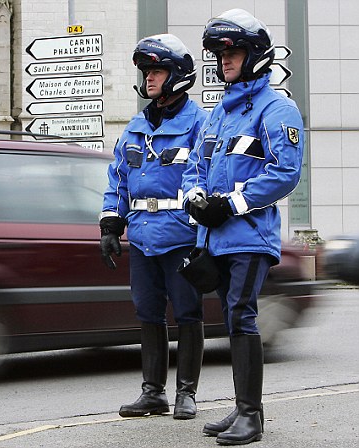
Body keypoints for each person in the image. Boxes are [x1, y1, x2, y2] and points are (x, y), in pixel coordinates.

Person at [182, 9, 304, 445]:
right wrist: (195, 199)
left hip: (250, 237)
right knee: (232, 319)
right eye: (218, 53)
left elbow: (285, 172)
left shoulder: (278, 108)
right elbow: (196, 163)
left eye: (231, 51)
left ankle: (251, 415)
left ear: (255, 54)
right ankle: (240, 408)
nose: (223, 59)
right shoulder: (218, 114)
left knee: (242, 315)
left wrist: (230, 204)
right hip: (213, 237)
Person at [100, 34, 208, 420]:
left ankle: (186, 394)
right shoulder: (134, 127)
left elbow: (208, 178)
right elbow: (118, 178)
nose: (149, 77)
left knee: (187, 313)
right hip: (143, 237)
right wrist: (111, 223)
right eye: (147, 71)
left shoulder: (200, 124)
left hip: (181, 237)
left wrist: (204, 236)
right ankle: (153, 393)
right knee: (148, 313)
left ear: (177, 75)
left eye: (157, 70)